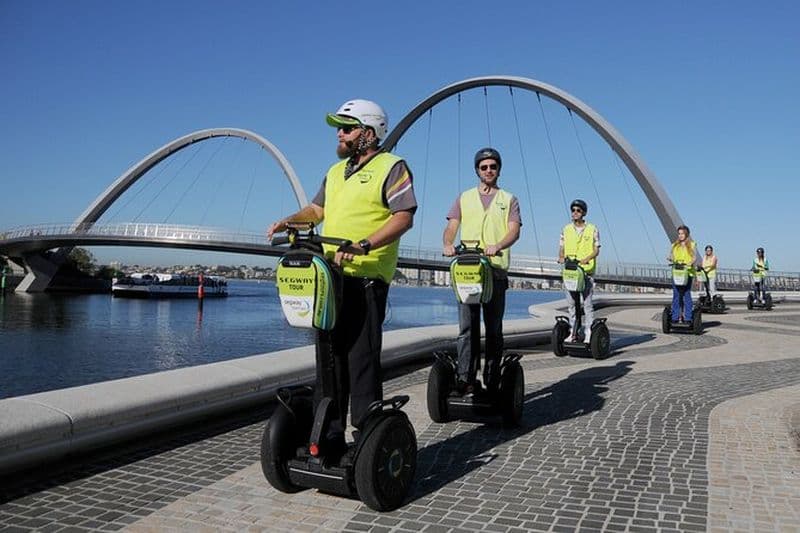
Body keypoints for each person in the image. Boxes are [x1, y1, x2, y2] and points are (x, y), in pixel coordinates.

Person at [266, 99, 417, 452]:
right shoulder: (335, 172)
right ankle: (328, 433)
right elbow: (316, 210)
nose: (340, 133)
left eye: (347, 127)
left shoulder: (391, 167)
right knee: (329, 359)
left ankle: (367, 440)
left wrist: (365, 244)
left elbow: (403, 216)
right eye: (339, 127)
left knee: (360, 360)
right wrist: (290, 220)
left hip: (365, 278)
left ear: (368, 132)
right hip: (330, 278)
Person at [442, 147, 521, 393]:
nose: (488, 170)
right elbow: (452, 226)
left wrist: (498, 245)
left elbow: (514, 230)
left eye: (493, 166)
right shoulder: (464, 197)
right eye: (484, 167)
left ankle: (493, 375)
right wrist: (447, 243)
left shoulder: (509, 199)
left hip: (495, 271)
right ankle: (465, 378)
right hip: (469, 270)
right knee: (467, 328)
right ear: (477, 170)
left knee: (494, 327)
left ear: (498, 169)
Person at [558, 199, 601, 343]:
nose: (574, 213)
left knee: (587, 304)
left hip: (586, 272)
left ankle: (589, 331)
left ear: (583, 213)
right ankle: (573, 331)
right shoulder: (566, 229)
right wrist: (561, 257)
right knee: (571, 304)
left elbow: (596, 249)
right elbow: (562, 247)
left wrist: (587, 258)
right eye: (573, 210)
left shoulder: (592, 229)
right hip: (570, 271)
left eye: (578, 210)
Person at [667, 225, 700, 323]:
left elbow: (694, 257)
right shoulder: (674, 245)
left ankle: (688, 317)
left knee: (686, 295)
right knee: (676, 295)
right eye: (679, 233)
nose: (680, 235)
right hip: (676, 273)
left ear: (686, 234)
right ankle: (675, 317)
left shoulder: (692, 245)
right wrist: (670, 258)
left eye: (682, 233)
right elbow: (670, 255)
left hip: (687, 273)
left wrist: (691, 262)